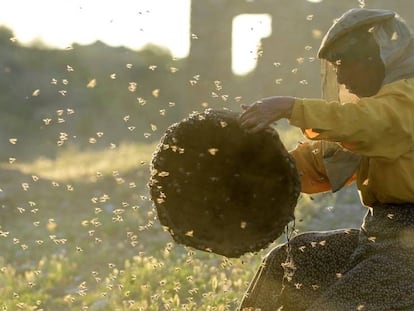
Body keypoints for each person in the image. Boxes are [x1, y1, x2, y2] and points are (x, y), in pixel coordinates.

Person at [238, 8, 414, 311]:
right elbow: (321, 160)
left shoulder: (406, 101)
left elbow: (364, 125)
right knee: (288, 261)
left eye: (346, 64)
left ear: (378, 58)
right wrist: (256, 171)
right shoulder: (372, 110)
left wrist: (290, 107)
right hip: (379, 237)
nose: (341, 77)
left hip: (408, 252)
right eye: (336, 66)